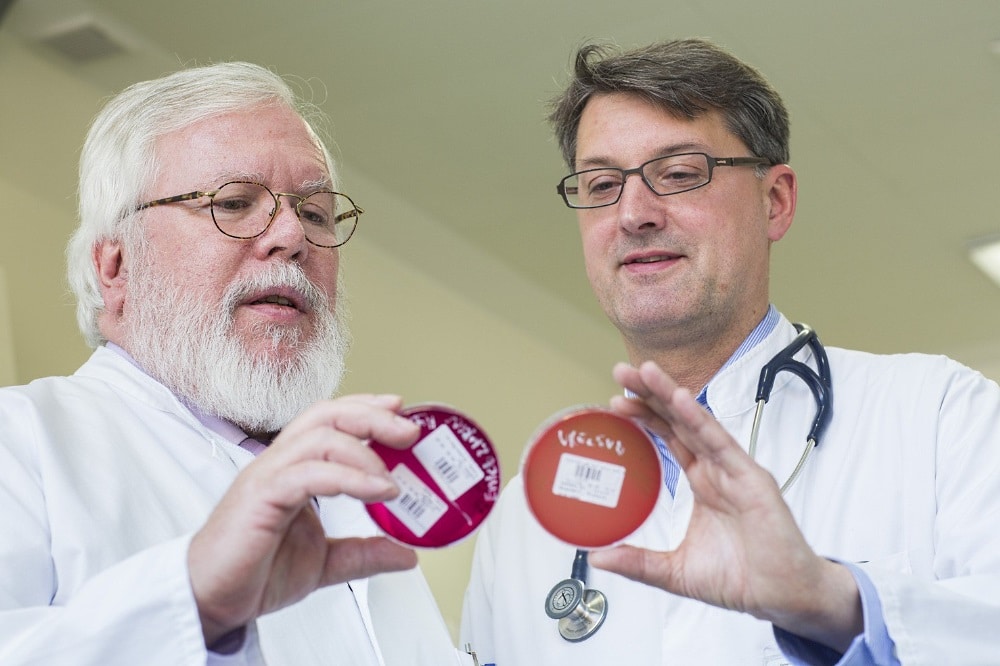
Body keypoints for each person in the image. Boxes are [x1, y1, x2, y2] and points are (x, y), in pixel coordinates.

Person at [460, 38, 1000, 665]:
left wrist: (831, 603)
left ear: (776, 202)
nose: (634, 213)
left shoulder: (940, 417)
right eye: (602, 183)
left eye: (681, 173)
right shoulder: (529, 510)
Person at [0, 62, 473, 665]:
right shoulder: (20, 444)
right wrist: (195, 603)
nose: (290, 236)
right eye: (234, 203)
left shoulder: (367, 494)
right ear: (114, 266)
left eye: (316, 212)